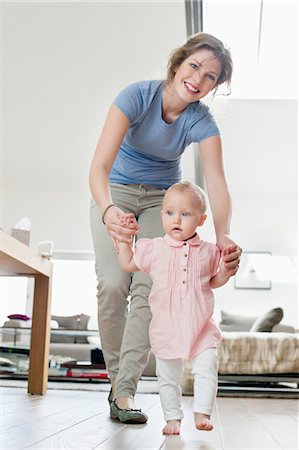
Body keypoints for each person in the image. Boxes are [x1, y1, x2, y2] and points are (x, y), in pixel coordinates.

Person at [89, 32, 242, 424]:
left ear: (214, 86)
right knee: (111, 285)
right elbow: (99, 167)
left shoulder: (200, 120)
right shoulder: (136, 96)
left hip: (163, 200)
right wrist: (108, 210)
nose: (198, 79)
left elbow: (217, 182)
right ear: (178, 64)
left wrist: (222, 235)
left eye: (211, 77)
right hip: (116, 194)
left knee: (148, 290)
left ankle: (124, 392)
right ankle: (116, 378)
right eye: (194, 66)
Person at [117, 181, 234, 435]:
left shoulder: (209, 251)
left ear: (201, 220)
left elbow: (214, 282)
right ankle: (172, 418)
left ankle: (202, 413)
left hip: (201, 323)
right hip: (166, 325)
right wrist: (126, 240)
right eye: (170, 213)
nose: (176, 220)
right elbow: (127, 263)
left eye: (185, 214)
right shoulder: (153, 248)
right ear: (162, 215)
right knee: (168, 377)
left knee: (207, 367)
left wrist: (225, 269)